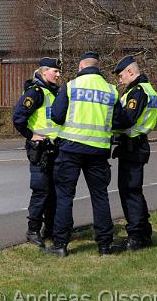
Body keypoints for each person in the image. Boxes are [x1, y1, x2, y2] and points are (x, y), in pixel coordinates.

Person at [49, 52, 133, 256]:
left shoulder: (71, 86)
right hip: (98, 151)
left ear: (80, 67)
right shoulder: (111, 90)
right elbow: (120, 121)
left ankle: (60, 244)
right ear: (97, 67)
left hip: (71, 149)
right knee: (100, 197)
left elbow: (57, 116)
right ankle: (104, 245)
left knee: (65, 197)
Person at [12, 57, 62, 248]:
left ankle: (50, 229)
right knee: (41, 191)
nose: (58, 75)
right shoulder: (36, 92)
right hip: (40, 151)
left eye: (58, 72)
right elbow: (18, 117)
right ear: (43, 72)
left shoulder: (53, 92)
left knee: (54, 192)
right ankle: (33, 230)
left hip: (55, 148)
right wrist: (30, 135)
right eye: (54, 71)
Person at [110, 56, 157, 252]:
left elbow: (127, 120)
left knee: (129, 192)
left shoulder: (137, 92)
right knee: (135, 191)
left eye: (121, 76)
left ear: (131, 72)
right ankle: (144, 233)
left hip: (133, 146)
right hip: (137, 145)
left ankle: (136, 236)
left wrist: (109, 121)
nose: (120, 80)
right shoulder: (147, 89)